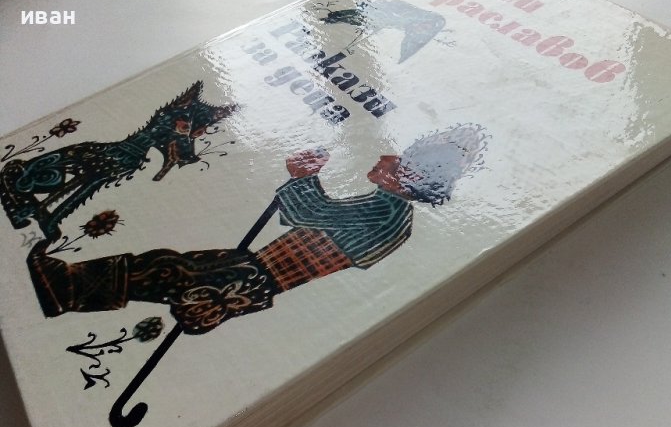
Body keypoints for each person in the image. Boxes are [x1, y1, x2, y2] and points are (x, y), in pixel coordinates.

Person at [27, 124, 487, 334]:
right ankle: (67, 288)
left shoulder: (387, 214)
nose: (385, 157)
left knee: (166, 270)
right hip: (253, 272)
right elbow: (321, 217)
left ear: (406, 180)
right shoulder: (389, 211)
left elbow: (313, 215)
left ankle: (65, 288)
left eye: (398, 161)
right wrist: (304, 180)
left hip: (253, 278)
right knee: (165, 267)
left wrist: (302, 177)